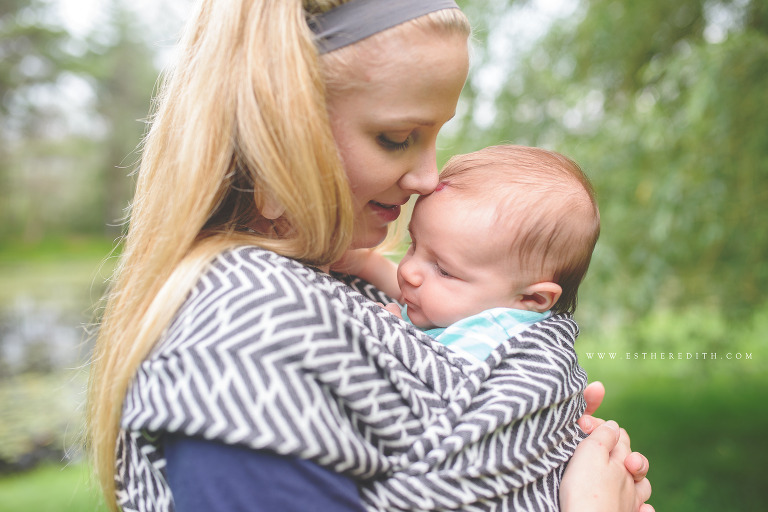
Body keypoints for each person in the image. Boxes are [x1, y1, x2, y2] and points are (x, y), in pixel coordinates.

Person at [86, 1, 653, 512]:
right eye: (397, 137)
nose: (430, 178)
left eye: (436, 134)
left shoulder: (332, 278)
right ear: (282, 129)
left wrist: (535, 417)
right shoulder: (240, 338)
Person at [337, 144, 599, 363]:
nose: (407, 271)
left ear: (532, 298)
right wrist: (364, 263)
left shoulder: (493, 340)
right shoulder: (475, 302)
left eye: (444, 270)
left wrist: (395, 340)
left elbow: (437, 387)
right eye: (413, 245)